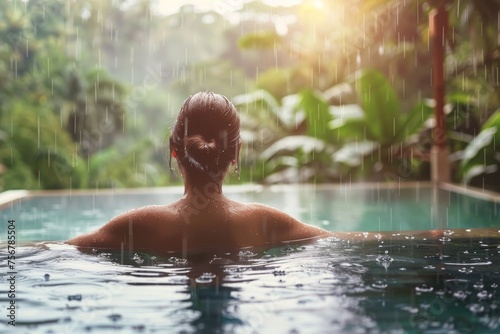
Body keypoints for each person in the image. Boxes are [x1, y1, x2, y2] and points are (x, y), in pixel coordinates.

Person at [68, 92, 329, 255]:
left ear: (174, 150)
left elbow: (59, 250)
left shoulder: (141, 225)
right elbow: (352, 242)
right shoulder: (265, 222)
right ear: (236, 152)